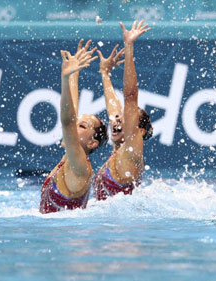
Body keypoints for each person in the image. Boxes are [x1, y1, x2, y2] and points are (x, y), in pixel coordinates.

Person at [40, 40, 107, 214]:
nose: (74, 126)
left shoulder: (80, 166)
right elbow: (72, 115)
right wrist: (73, 74)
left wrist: (64, 78)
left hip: (68, 238)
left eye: (82, 126)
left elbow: (68, 121)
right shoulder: (70, 159)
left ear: (92, 143)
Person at [93, 20, 153, 201]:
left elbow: (130, 95)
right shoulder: (120, 149)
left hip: (125, 227)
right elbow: (114, 109)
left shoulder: (132, 148)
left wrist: (129, 46)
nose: (117, 120)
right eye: (118, 118)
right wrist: (105, 73)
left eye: (125, 117)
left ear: (139, 131)